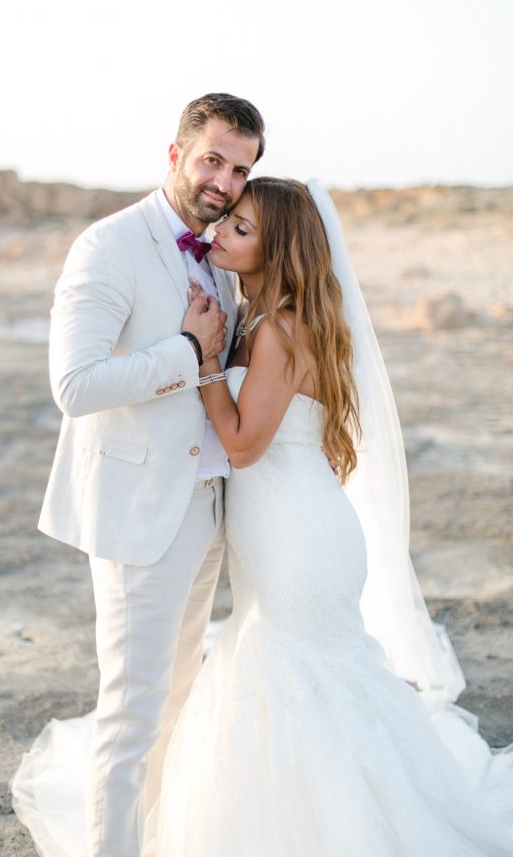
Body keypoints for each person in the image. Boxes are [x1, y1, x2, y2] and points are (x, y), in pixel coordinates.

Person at [141, 177, 513, 855]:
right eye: (227, 221)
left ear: (278, 250)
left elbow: (244, 446)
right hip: (284, 528)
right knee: (296, 676)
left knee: (295, 675)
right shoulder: (258, 316)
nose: (220, 233)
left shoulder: (281, 327)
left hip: (299, 539)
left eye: (242, 230)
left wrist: (202, 360)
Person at [11, 93, 265, 857]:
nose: (224, 183)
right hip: (138, 514)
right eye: (213, 160)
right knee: (129, 717)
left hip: (206, 510)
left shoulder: (218, 255)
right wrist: (185, 352)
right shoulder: (108, 246)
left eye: (240, 170)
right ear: (176, 154)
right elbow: (75, 385)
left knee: (176, 703)